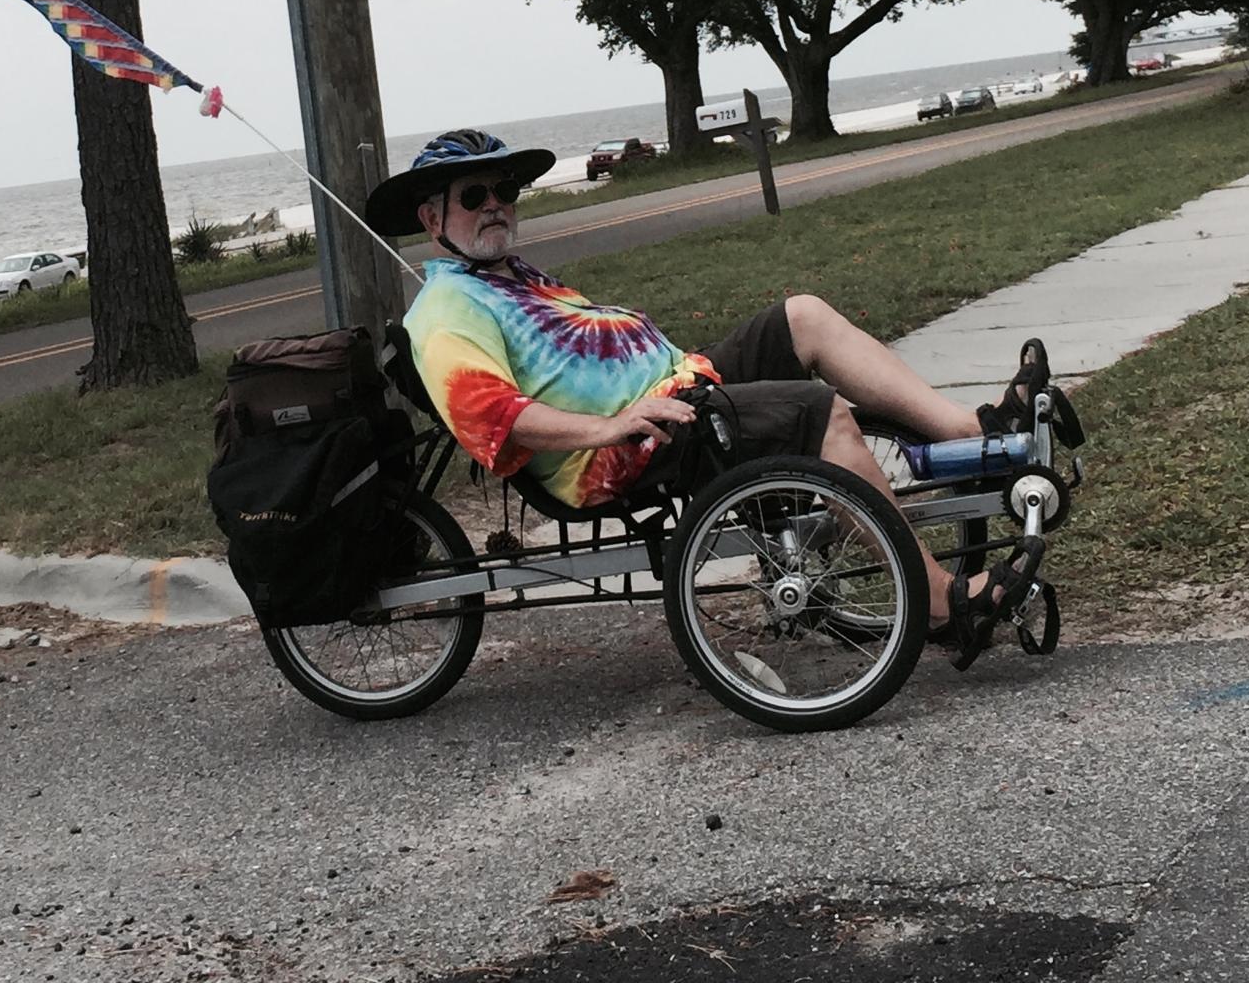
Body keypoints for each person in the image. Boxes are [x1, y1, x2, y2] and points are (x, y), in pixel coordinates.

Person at [367, 128, 1052, 667]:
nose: (496, 206)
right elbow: (496, 418)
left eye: (505, 191)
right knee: (819, 414)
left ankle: (976, 433)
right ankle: (943, 608)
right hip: (627, 449)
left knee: (802, 316)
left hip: (677, 394)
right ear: (433, 218)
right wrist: (614, 425)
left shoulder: (510, 276)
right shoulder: (448, 307)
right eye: (475, 194)